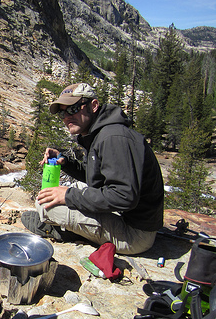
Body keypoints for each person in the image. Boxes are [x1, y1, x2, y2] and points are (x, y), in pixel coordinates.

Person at [22, 82, 164, 255]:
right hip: (126, 215)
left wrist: (68, 196)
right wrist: (65, 161)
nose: (67, 117)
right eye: (63, 113)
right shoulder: (102, 133)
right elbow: (96, 179)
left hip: (135, 234)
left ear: (94, 105)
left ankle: (68, 232)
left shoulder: (112, 138)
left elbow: (124, 196)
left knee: (46, 206)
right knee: (51, 194)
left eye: (73, 109)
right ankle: (74, 226)